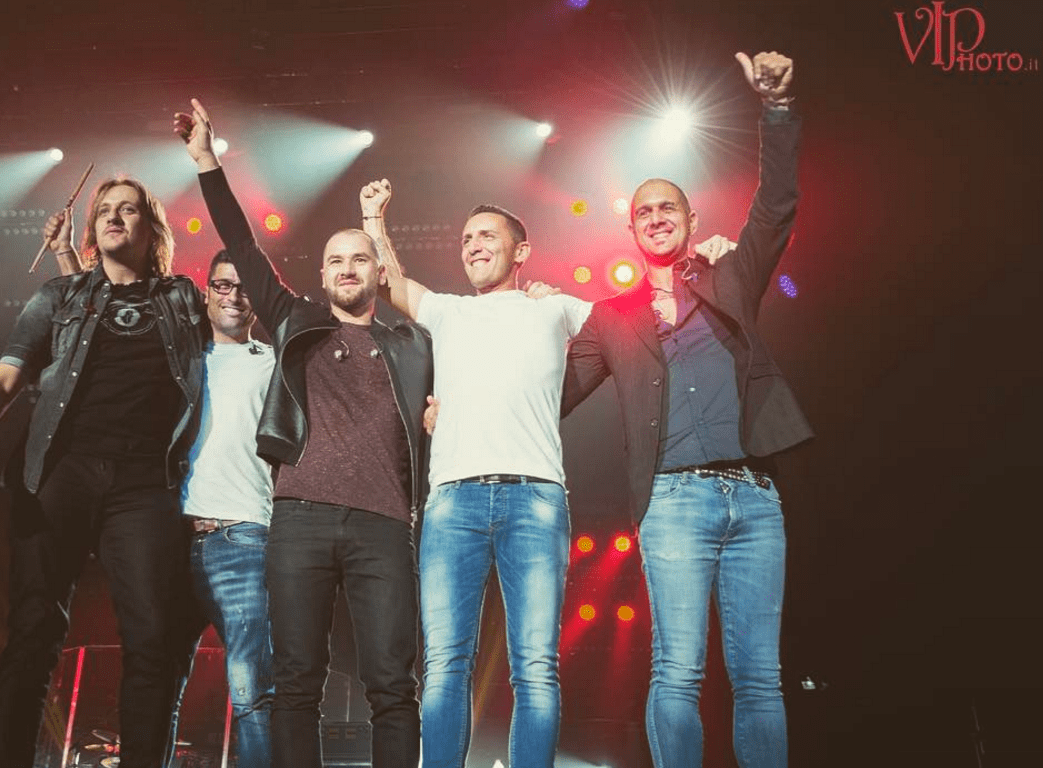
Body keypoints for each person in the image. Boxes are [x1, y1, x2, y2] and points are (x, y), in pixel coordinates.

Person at [561, 51, 812, 768]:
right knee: (677, 670)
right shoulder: (611, 318)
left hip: (755, 497)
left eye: (666, 206)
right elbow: (553, 394)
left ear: (691, 218)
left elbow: (776, 206)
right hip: (671, 501)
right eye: (642, 211)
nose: (655, 217)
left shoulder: (731, 278)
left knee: (760, 677)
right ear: (632, 231)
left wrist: (777, 110)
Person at [174, 98, 431, 768]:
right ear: (322, 274)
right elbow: (242, 244)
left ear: (379, 271)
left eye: (359, 259)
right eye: (335, 260)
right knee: (295, 685)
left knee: (393, 687)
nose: (346, 268)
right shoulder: (295, 322)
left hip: (383, 523)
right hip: (299, 520)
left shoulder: (413, 344)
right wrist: (207, 161)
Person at [0, 177, 205, 768]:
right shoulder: (59, 296)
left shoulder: (183, 298)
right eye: (104, 210)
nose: (115, 216)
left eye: (129, 209)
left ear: (152, 227)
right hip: (60, 472)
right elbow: (7, 376)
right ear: (92, 228)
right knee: (33, 630)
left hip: (144, 483)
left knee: (153, 637)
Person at [360, 181, 591, 768]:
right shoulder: (449, 311)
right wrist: (372, 218)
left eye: (487, 235)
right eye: (466, 239)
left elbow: (632, 331)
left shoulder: (556, 308)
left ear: (522, 251)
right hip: (454, 503)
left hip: (534, 497)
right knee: (444, 663)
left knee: (535, 666)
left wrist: (700, 264)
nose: (473, 245)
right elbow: (388, 282)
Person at [176, 250, 276, 768]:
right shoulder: (181, 358)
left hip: (243, 535)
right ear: (207, 292)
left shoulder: (274, 361)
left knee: (251, 687)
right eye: (222, 285)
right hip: (173, 539)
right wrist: (66, 256)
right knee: (160, 687)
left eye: (243, 287)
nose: (233, 296)